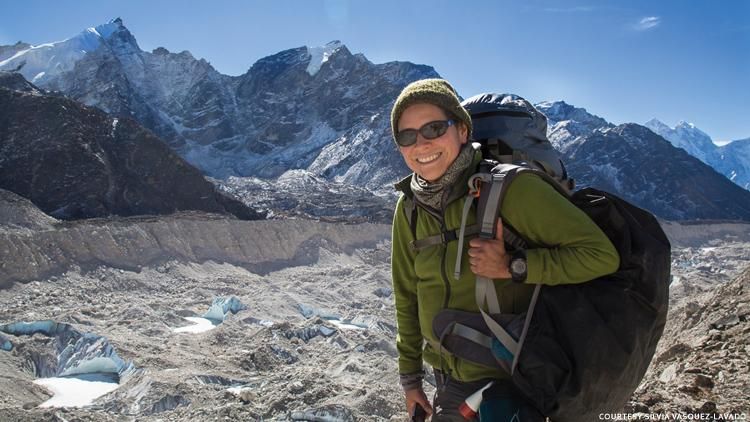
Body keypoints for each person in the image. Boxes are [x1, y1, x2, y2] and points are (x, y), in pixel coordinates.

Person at [389, 78, 620, 421]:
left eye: (434, 128)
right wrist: (410, 379)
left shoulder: (511, 189)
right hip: (450, 381)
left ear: (462, 130)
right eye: (407, 136)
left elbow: (601, 256)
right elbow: (407, 295)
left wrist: (513, 265)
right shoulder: (409, 208)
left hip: (515, 379)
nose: (421, 143)